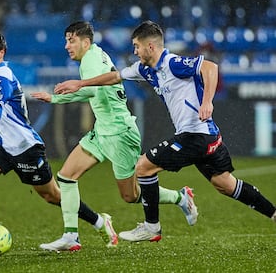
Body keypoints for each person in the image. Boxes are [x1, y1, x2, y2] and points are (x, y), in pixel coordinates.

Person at [54, 20, 276, 242]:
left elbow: (210, 67)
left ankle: (152, 227)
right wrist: (80, 84)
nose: (135, 51)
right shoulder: (145, 69)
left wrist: (207, 102)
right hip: (207, 136)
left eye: (137, 46)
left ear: (150, 46)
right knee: (225, 184)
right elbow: (115, 76)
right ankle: (273, 213)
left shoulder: (172, 63)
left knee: (143, 167)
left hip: (196, 134)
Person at [30, 21, 198, 251]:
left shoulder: (90, 60)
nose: (67, 46)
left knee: (130, 196)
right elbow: (93, 90)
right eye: (66, 40)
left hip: (120, 133)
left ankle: (181, 198)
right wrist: (56, 98)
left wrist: (65, 92)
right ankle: (71, 236)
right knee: (67, 176)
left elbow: (91, 89)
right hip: (103, 131)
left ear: (85, 42)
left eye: (71, 40)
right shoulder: (96, 55)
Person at [0, 31, 118, 248]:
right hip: (4, 147)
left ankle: (100, 222)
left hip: (26, 148)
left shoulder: (1, 77)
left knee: (53, 196)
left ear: (1, 53)